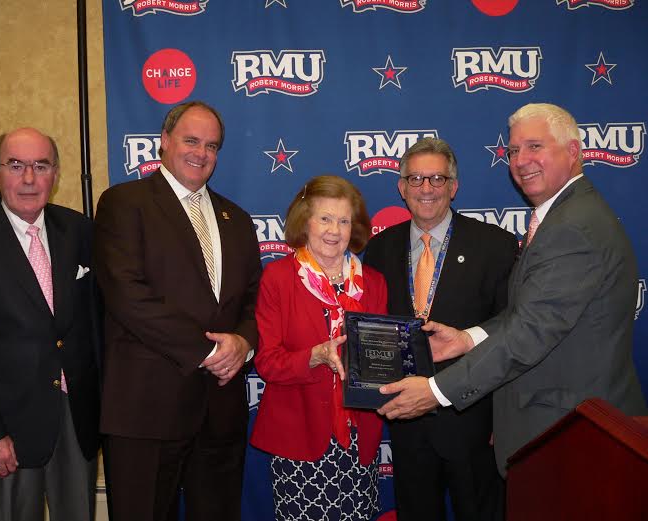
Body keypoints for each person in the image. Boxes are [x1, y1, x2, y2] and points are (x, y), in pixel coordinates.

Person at [377, 103, 647, 478]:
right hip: (562, 430)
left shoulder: (573, 227)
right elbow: (526, 315)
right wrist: (467, 339)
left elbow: (530, 332)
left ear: (572, 152)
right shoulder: (561, 217)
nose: (521, 161)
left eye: (535, 146)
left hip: (575, 432)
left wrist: (437, 390)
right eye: (514, 151)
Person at [94, 101, 261, 521]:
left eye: (212, 145)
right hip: (147, 409)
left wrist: (243, 343)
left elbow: (254, 300)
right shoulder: (123, 202)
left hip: (219, 411)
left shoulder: (237, 219)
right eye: (191, 140)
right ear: (165, 141)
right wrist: (210, 353)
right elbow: (126, 294)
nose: (201, 153)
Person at [363, 138, 518, 521]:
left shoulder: (495, 245)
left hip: (473, 420)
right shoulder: (380, 248)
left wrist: (504, 415)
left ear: (454, 186)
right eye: (415, 179)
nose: (426, 188)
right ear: (401, 188)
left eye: (437, 178)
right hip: (408, 421)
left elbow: (513, 330)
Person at [0, 128, 101, 520]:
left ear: (56, 174)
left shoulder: (81, 231)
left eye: (41, 165)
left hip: (75, 420)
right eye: (16, 165)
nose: (30, 178)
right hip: (2, 428)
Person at [250, 175, 388, 521]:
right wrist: (315, 356)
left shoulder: (373, 282)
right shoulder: (278, 278)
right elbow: (267, 362)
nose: (334, 230)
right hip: (300, 438)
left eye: (344, 220)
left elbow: (380, 358)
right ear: (305, 222)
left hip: (359, 440)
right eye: (325, 218)